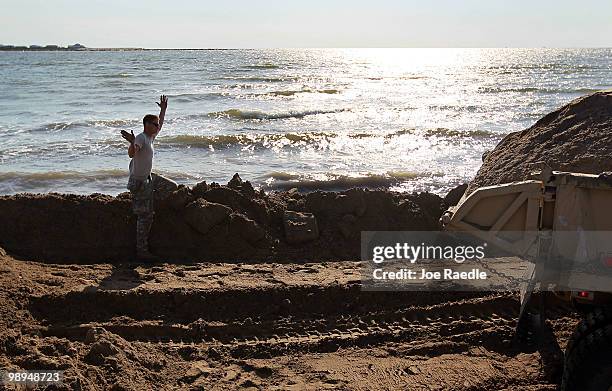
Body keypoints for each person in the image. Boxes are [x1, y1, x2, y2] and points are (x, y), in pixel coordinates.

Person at [123, 95, 168, 261]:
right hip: (139, 183)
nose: (158, 127)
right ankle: (142, 251)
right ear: (146, 125)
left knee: (172, 186)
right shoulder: (141, 138)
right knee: (146, 217)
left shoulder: (151, 137)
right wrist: (131, 142)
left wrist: (163, 109)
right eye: (154, 124)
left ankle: (152, 199)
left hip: (148, 178)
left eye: (157, 124)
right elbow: (131, 154)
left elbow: (161, 123)